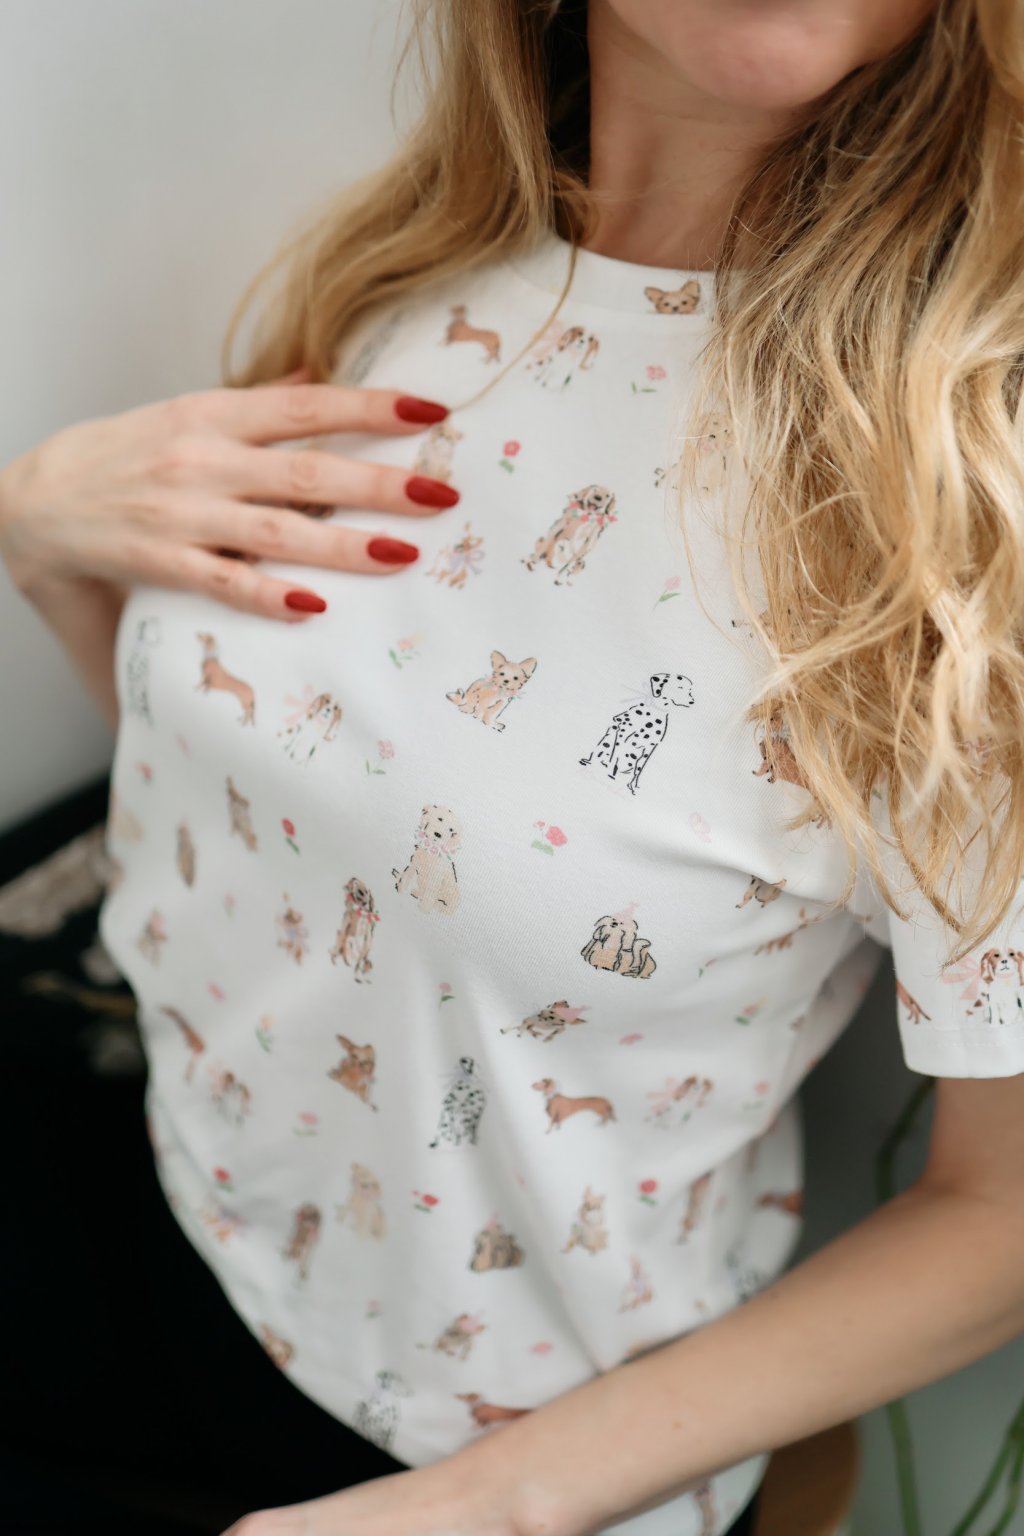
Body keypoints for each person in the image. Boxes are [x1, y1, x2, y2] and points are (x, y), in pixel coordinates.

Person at [2, 2, 1024, 1535]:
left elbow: (1002, 1212)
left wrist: (496, 1507)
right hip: (128, 1165)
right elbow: (274, 809)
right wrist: (44, 543)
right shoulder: (393, 282)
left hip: (453, 1447)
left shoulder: (966, 506)